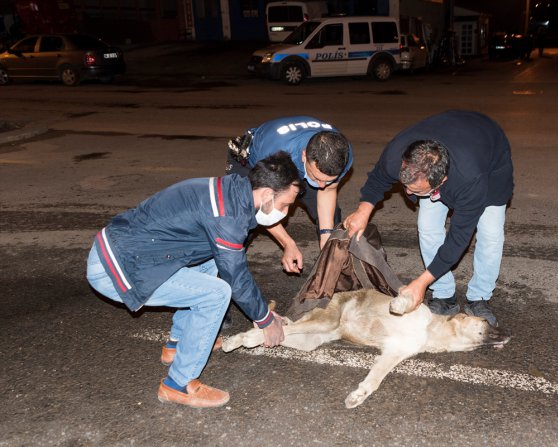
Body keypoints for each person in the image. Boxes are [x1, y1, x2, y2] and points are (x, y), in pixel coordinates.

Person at [86, 152, 301, 408]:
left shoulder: (234, 191)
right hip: (117, 267)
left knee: (211, 259)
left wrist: (261, 312)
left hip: (123, 248)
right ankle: (178, 384)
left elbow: (228, 261)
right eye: (285, 205)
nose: (286, 213)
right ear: (267, 194)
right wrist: (265, 320)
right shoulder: (227, 216)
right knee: (217, 294)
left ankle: (176, 345)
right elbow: (236, 278)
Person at [343, 110, 514, 327]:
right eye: (405, 186)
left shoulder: (471, 178)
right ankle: (444, 295)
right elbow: (378, 179)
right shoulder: (398, 155)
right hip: (452, 130)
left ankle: (479, 297)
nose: (409, 194)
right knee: (427, 226)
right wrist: (362, 211)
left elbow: (458, 238)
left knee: (490, 234)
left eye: (416, 190)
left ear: (441, 181)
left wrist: (420, 283)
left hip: (490, 158)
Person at [227, 116, 353, 273]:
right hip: (253, 162)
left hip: (301, 163)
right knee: (242, 218)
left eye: (327, 180)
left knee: (332, 221)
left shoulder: (341, 155)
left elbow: (328, 190)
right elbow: (265, 209)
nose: (321, 186)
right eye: (317, 179)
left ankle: (330, 270)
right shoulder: (274, 156)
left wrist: (326, 239)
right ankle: (227, 273)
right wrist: (288, 244)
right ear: (304, 155)